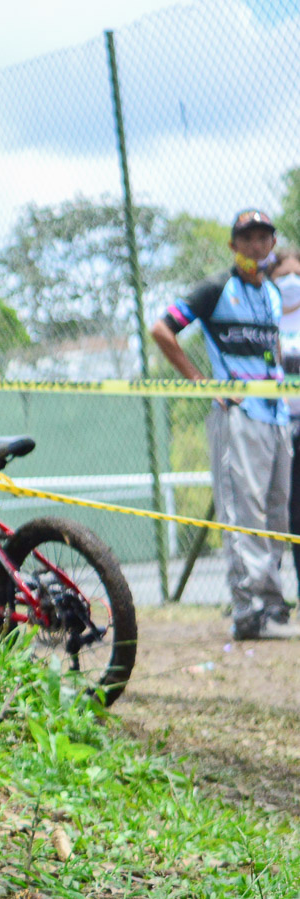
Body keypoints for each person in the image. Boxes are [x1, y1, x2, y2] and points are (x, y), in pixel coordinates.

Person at [151, 208, 294, 641]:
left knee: (275, 511)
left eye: (263, 237)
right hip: (238, 417)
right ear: (234, 246)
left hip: (276, 416)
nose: (256, 245)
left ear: (272, 244)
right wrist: (203, 384)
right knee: (242, 512)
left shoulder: (271, 294)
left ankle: (271, 603)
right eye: (246, 238)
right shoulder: (217, 289)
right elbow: (162, 329)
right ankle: (246, 609)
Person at [271, 248, 300, 593]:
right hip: (275, 427)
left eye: (297, 275)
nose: (291, 282)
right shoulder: (267, 318)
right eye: (283, 276)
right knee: (277, 512)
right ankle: (269, 594)